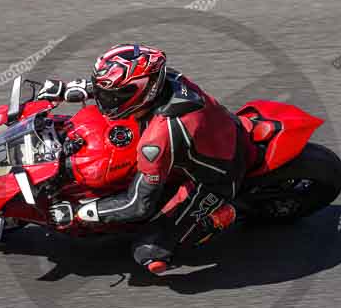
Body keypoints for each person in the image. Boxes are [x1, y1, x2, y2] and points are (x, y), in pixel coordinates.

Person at [37, 44, 257, 275]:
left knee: (149, 252)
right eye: (105, 93)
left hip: (219, 177)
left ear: (146, 90)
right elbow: (122, 85)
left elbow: (138, 205)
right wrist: (77, 88)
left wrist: (81, 212)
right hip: (220, 131)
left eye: (113, 96)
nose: (105, 101)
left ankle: (222, 215)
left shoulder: (158, 139)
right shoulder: (168, 77)